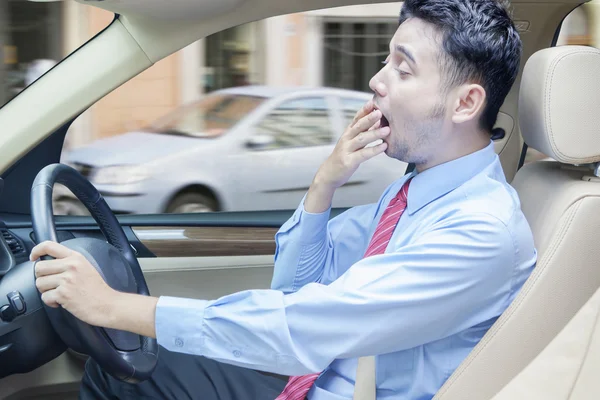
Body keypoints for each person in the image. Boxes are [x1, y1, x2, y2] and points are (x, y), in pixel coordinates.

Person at [30, 0, 537, 399]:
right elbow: (295, 288)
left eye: (402, 70)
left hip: (339, 385)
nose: (376, 80)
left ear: (466, 102)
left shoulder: (479, 230)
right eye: (386, 59)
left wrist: (116, 307)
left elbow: (305, 325)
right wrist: (325, 182)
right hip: (320, 377)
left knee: (122, 377)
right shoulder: (414, 191)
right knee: (128, 373)